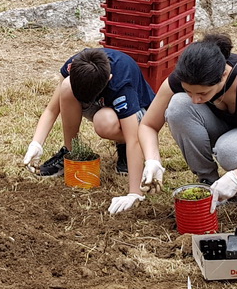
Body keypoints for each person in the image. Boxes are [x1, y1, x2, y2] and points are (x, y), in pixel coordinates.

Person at [136, 34, 237, 212]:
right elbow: (148, 125)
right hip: (228, 127)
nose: (195, 100)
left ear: (224, 75)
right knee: (178, 106)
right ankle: (208, 182)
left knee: (230, 151)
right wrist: (152, 161)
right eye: (189, 91)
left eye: (203, 93)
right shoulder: (187, 75)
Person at [22, 48, 155, 213]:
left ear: (108, 79)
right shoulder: (75, 65)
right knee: (66, 87)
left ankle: (122, 146)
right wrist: (36, 144)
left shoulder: (121, 83)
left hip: (139, 113)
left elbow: (134, 139)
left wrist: (134, 193)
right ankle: (69, 152)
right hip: (100, 101)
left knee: (104, 122)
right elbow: (51, 110)